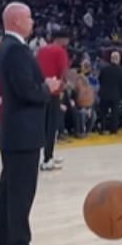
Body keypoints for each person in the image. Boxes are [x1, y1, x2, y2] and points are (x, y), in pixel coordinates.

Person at [0, 3, 57, 245]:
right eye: (29, 17)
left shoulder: (7, 47)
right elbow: (26, 90)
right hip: (23, 131)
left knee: (8, 188)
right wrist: (47, 88)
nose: (32, 21)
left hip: (15, 130)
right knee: (21, 192)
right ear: (17, 21)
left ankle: (0, 240)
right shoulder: (16, 49)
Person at [37, 29, 70, 171]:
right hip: (54, 91)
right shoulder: (61, 51)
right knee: (52, 127)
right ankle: (47, 158)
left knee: (43, 126)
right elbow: (63, 72)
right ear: (62, 39)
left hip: (40, 90)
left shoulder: (41, 50)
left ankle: (47, 154)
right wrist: (65, 85)